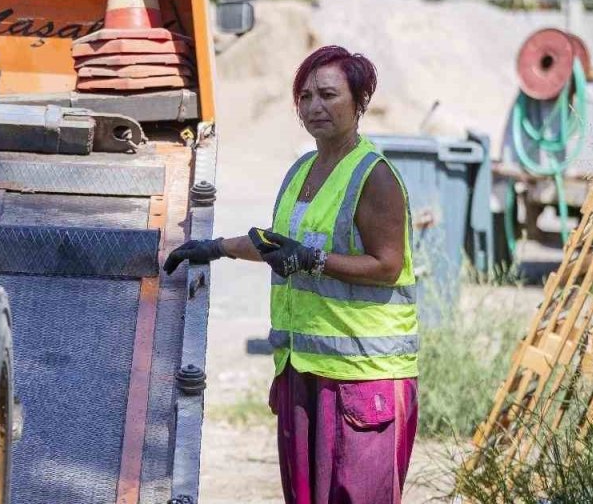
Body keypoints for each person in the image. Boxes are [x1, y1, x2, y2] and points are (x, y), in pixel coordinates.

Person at [164, 45, 419, 503]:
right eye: (305, 97)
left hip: (364, 377)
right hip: (303, 370)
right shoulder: (303, 168)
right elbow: (279, 244)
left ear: (359, 101)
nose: (314, 107)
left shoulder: (373, 176)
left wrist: (312, 260)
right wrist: (216, 247)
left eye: (328, 94)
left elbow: (388, 265)